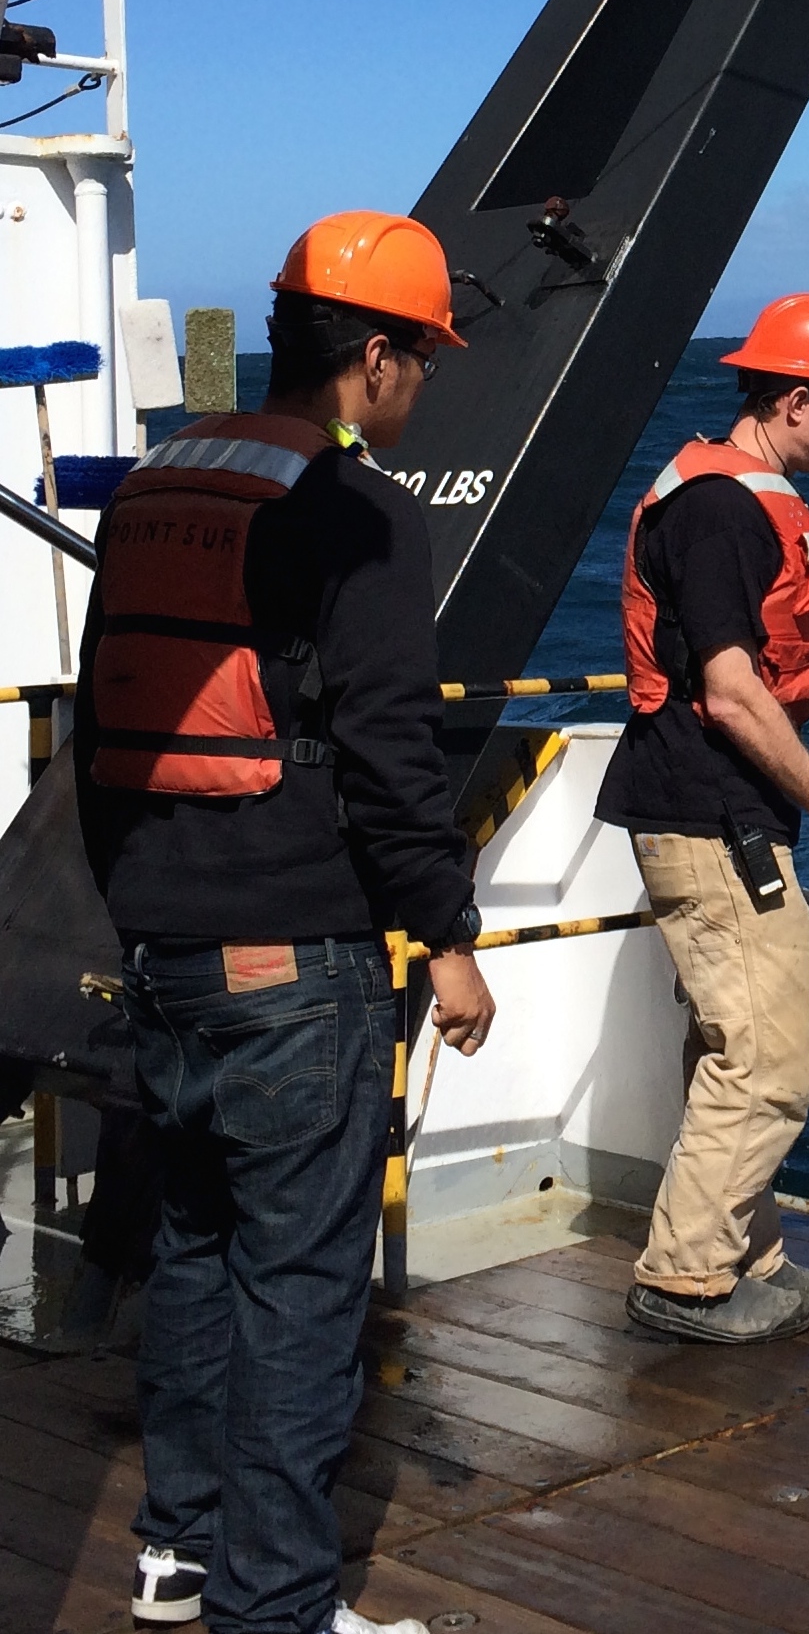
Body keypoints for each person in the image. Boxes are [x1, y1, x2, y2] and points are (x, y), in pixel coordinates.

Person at [74, 211, 496, 1634]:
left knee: (193, 1252)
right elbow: (387, 750)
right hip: (297, 962)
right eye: (421, 359)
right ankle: (277, 1605)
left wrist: (133, 903)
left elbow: (97, 719)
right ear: (373, 355)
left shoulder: (152, 484)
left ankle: (175, 1551)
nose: (423, 384)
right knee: (302, 1289)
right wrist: (446, 938)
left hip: (162, 946)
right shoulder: (360, 510)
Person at [596, 292, 809, 1346]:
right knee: (770, 1063)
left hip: (714, 810)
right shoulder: (724, 509)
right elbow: (731, 690)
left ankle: (748, 1255)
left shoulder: (723, 499)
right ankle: (685, 1282)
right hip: (710, 815)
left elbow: (733, 639)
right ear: (794, 400)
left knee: (733, 1044)